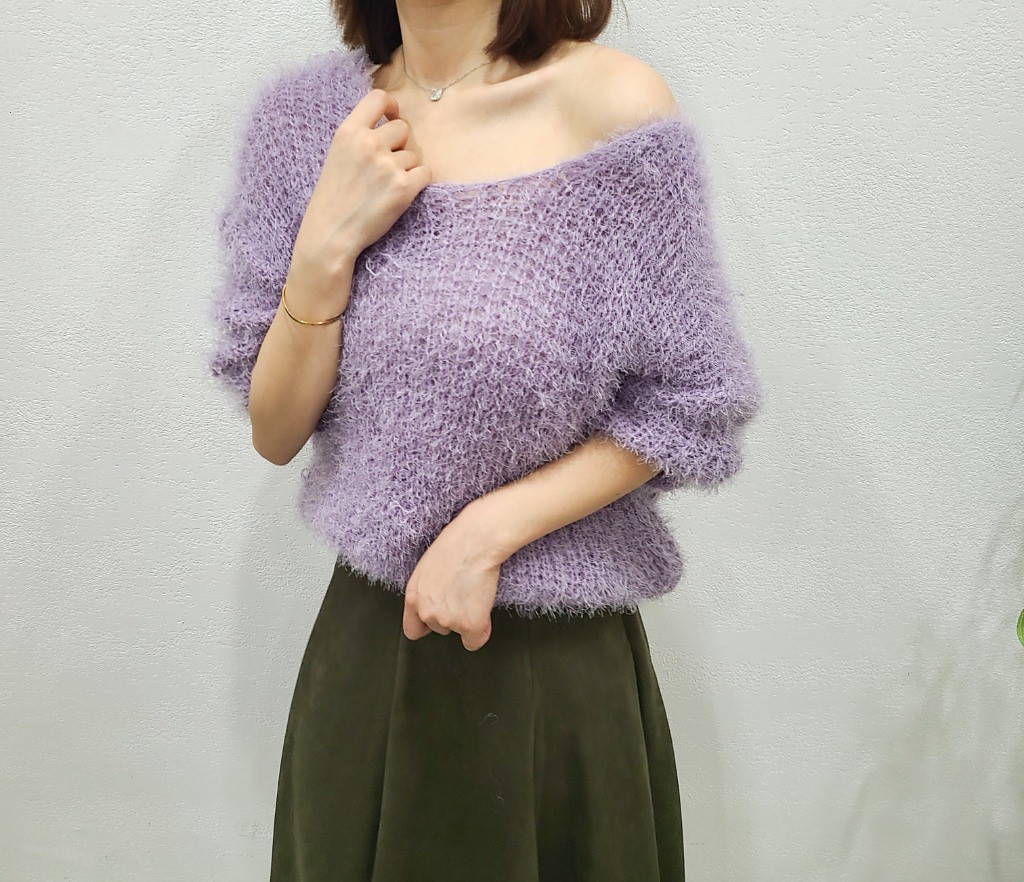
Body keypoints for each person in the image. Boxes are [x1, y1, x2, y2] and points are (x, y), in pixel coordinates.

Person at [206, 0, 764, 879]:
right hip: (367, 662)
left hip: (558, 678)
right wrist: (324, 247)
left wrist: (485, 532)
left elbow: (692, 401)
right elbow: (276, 430)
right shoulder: (308, 124)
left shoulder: (612, 109)